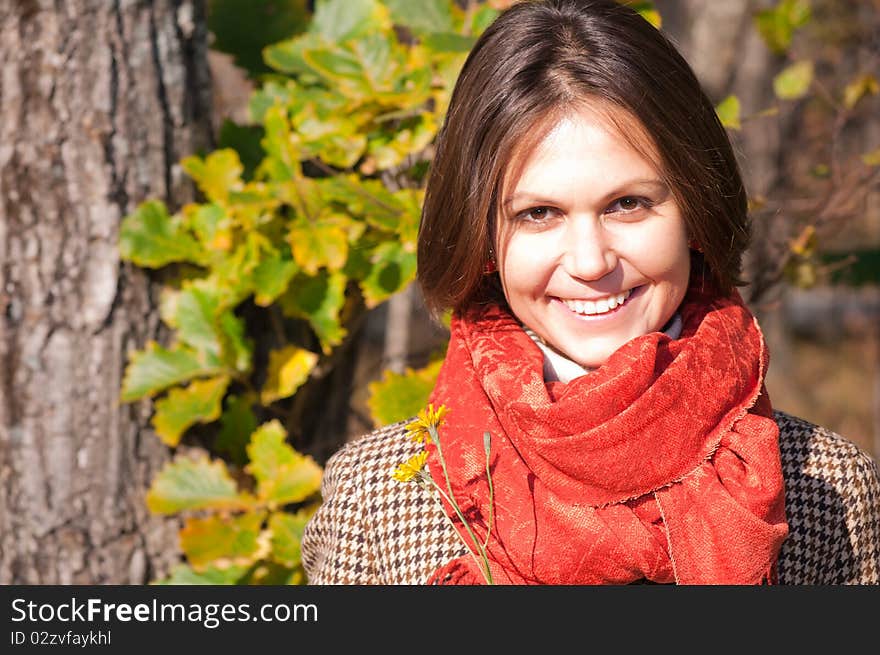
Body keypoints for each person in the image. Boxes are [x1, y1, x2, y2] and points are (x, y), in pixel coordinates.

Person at [301, 0, 880, 584]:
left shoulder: (825, 489)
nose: (589, 262)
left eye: (628, 204)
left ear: (696, 213)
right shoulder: (380, 500)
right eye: (539, 213)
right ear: (481, 236)